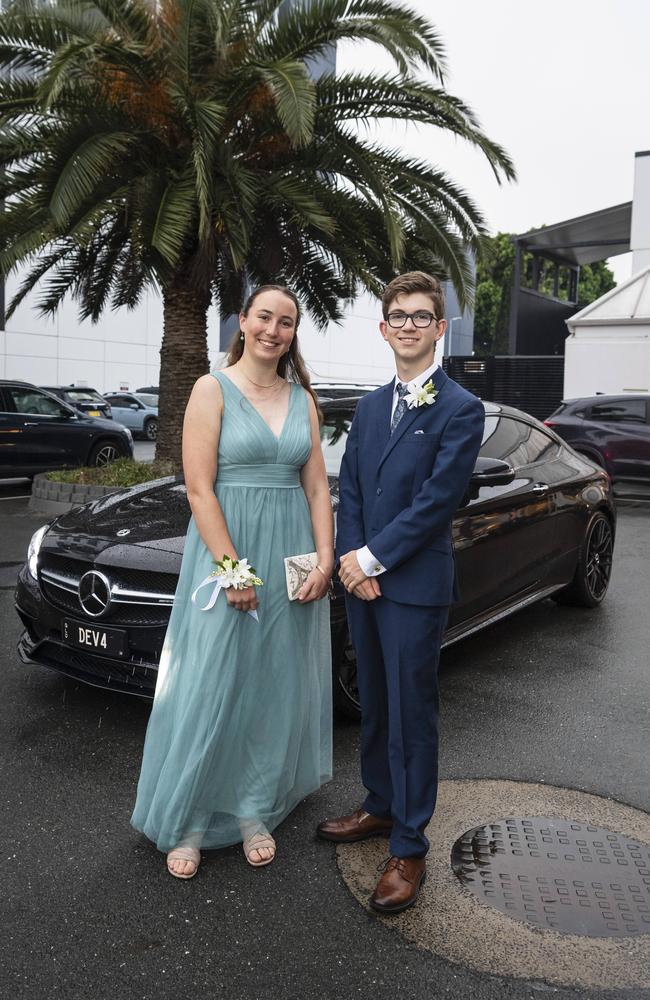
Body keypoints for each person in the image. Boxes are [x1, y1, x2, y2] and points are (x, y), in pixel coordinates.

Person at [132, 285, 334, 878]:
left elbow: (317, 487)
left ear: (294, 333)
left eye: (287, 322)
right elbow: (199, 490)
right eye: (264, 317)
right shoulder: (210, 389)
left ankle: (251, 809)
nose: (274, 330)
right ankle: (191, 819)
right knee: (212, 681)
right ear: (242, 323)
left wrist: (325, 558)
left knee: (270, 686)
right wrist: (232, 571)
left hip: (291, 555)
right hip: (230, 556)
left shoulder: (302, 399)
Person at [317, 271, 485, 913]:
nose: (409, 324)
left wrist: (373, 558)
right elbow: (353, 487)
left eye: (421, 315)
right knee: (377, 707)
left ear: (439, 329)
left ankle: (410, 845)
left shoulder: (460, 408)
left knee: (412, 716)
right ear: (383, 328)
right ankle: (381, 807)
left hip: (412, 587)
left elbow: (437, 501)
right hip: (366, 583)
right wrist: (354, 561)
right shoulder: (366, 407)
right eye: (398, 315)